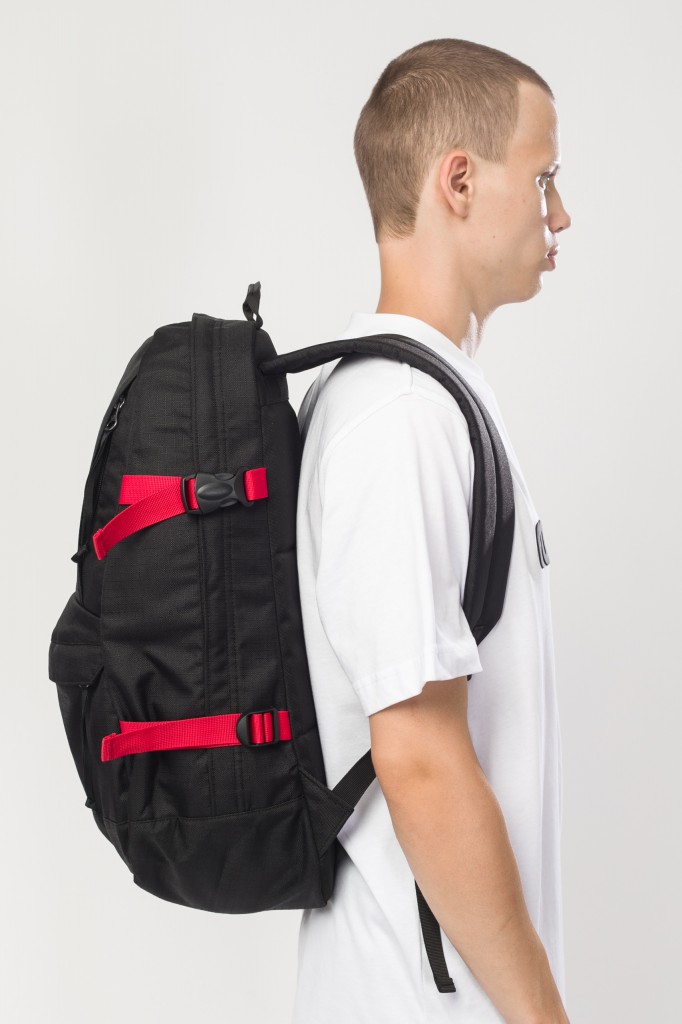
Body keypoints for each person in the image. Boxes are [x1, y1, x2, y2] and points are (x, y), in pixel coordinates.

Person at [292, 37, 572, 1024]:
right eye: (542, 179)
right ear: (458, 181)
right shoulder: (398, 418)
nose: (558, 215)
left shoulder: (423, 400)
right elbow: (416, 756)